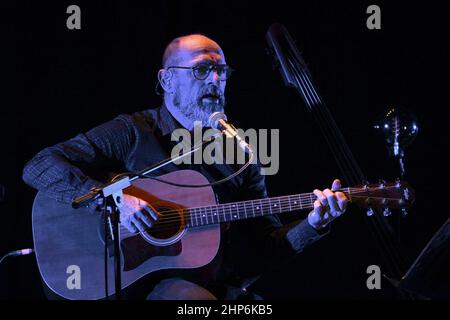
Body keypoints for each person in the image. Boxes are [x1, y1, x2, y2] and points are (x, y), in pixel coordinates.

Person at [22, 34, 348, 300]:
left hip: (209, 285)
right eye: (202, 69)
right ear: (167, 80)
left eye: (222, 70)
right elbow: (38, 166)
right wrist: (112, 198)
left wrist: (313, 223)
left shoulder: (242, 156)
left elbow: (263, 249)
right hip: (131, 284)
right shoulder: (133, 132)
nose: (216, 79)